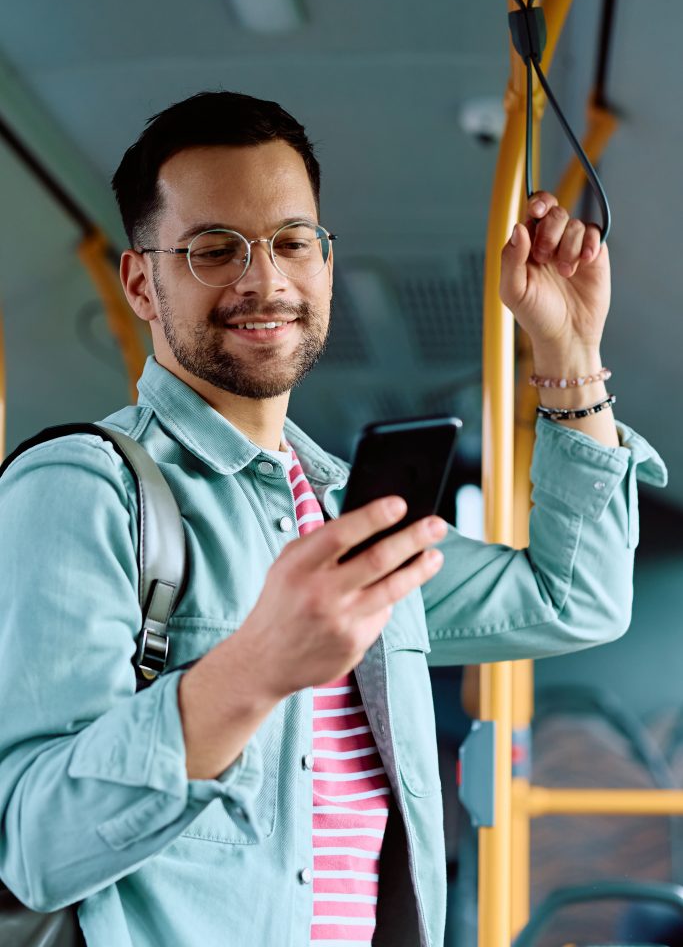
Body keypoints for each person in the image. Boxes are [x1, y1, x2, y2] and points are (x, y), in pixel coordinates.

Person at [0, 91, 666, 947]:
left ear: (322, 260)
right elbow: (28, 847)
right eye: (213, 250)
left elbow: (574, 598)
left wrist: (568, 352)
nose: (264, 280)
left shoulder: (347, 512)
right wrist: (254, 671)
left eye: (291, 243)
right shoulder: (84, 489)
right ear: (140, 282)